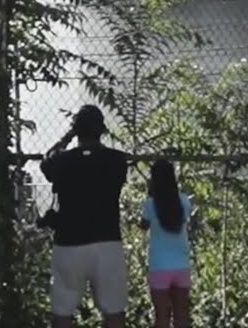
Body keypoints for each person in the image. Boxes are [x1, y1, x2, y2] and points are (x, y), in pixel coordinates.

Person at [41, 104, 131, 328]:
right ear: (101, 130)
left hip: (69, 241)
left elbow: (47, 162)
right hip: (108, 240)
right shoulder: (117, 160)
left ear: (76, 131)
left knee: (62, 312)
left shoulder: (63, 161)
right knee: (114, 310)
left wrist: (67, 137)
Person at [140, 159, 193, 328]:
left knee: (162, 316)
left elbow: (143, 226)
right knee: (181, 315)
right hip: (181, 265)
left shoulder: (150, 204)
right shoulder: (183, 201)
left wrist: (151, 193)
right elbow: (185, 218)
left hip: (159, 266)